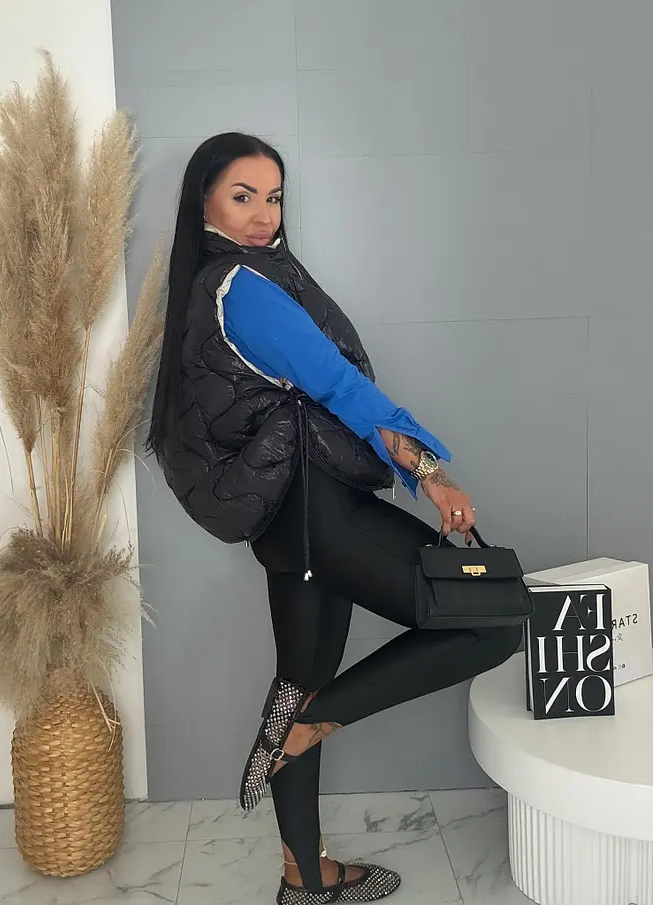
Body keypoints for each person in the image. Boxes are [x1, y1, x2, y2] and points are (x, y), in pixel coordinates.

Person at [147, 132, 522, 905]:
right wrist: (430, 474)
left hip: (284, 520)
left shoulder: (217, 282)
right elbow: (339, 387)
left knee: (300, 678)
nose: (263, 214)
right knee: (490, 621)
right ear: (203, 200)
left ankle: (305, 876)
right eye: (242, 196)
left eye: (273, 197)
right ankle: (307, 728)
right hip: (320, 511)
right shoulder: (241, 286)